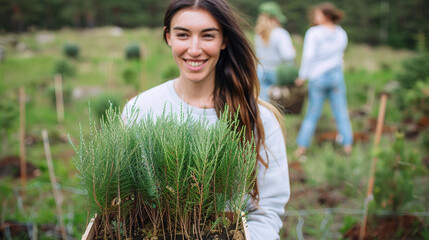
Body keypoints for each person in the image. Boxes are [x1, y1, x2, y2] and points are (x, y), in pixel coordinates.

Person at [122, 0, 290, 239]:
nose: (194, 49)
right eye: (183, 35)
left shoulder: (258, 119)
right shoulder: (141, 109)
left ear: (224, 40)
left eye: (208, 36)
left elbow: (266, 212)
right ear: (168, 36)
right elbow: (126, 206)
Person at [294, 2, 353, 156]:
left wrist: (302, 76)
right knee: (341, 112)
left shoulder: (314, 33)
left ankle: (302, 148)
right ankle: (347, 146)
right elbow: (340, 54)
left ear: (327, 15)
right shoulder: (341, 33)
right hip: (336, 75)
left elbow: (309, 56)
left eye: (317, 14)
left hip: (318, 77)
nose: (315, 17)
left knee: (313, 113)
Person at [254, 1, 296, 102]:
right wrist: (293, 51)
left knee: (262, 102)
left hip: (261, 70)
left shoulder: (258, 33)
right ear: (275, 18)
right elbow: (287, 55)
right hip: (277, 72)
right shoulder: (281, 33)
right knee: (277, 103)